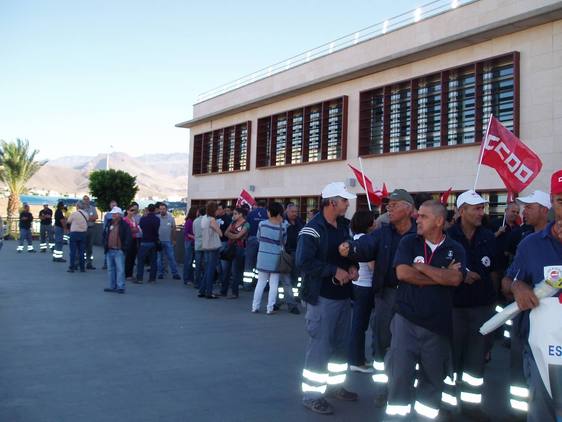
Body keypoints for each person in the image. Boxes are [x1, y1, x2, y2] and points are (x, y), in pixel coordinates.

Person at [385, 200, 465, 421]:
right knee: (399, 376)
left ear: (439, 221)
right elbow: (403, 273)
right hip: (405, 321)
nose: (417, 219)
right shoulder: (409, 242)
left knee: (432, 380)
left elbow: (456, 278)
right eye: (417, 215)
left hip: (437, 326)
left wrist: (420, 267)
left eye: (423, 216)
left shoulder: (454, 248)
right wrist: (440, 277)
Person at [339, 189, 416, 403]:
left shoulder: (420, 233)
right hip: (386, 295)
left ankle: (407, 386)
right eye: (388, 204)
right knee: (382, 344)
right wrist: (351, 248)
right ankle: (384, 390)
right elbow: (365, 246)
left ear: (408, 209)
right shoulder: (382, 233)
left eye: (394, 204)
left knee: (411, 344)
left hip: (415, 296)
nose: (388, 207)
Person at [503, 172, 562, 422]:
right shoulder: (531, 245)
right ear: (552, 201)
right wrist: (518, 287)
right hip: (543, 349)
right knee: (542, 411)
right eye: (561, 199)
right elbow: (508, 280)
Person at [296, 182, 359, 415]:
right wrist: (334, 271)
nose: (348, 203)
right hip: (322, 298)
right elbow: (303, 262)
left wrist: (352, 266)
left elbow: (351, 250)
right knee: (320, 348)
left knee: (341, 347)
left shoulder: (344, 226)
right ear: (332, 202)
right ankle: (312, 395)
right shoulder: (312, 229)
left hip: (343, 297)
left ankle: (335, 387)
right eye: (344, 200)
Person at [446, 190, 497, 421]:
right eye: (475, 208)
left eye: (481, 208)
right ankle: (446, 405)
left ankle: (471, 406)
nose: (480, 212)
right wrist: (461, 274)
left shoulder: (488, 236)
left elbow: (496, 270)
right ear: (461, 211)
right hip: (453, 307)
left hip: (481, 308)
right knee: (450, 358)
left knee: (476, 361)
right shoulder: (447, 236)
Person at [347, 210, 376, 374]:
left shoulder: (355, 239)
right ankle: (356, 360)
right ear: (369, 224)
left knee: (358, 324)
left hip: (358, 285)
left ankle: (357, 358)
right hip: (366, 286)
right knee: (360, 325)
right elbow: (372, 266)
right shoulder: (367, 241)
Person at [251, 202, 286, 314]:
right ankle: (270, 308)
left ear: (270, 212)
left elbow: (258, 238)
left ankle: (255, 307)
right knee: (274, 283)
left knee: (260, 282)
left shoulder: (262, 224)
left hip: (262, 256)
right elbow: (284, 242)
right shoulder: (283, 226)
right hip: (276, 258)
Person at [277, 203, 305, 314]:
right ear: (287, 212)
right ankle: (292, 305)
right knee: (286, 281)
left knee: (294, 280)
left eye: (296, 212)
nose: (294, 214)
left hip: (298, 254)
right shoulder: (282, 223)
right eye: (292, 211)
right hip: (286, 255)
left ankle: (278, 302)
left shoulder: (300, 223)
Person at [221, 207, 250, 298]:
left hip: (239, 248)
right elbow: (225, 233)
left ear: (241, 214)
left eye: (235, 214)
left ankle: (234, 292)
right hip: (230, 246)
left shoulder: (246, 224)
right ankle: (223, 291)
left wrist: (232, 235)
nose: (233, 216)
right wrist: (235, 236)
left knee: (235, 271)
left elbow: (239, 235)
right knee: (226, 270)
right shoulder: (233, 222)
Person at [103, 206, 131, 294]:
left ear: (119, 215)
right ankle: (112, 286)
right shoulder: (109, 223)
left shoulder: (124, 225)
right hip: (109, 250)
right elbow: (104, 234)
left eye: (114, 214)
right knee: (111, 269)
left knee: (120, 269)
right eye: (112, 214)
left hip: (119, 250)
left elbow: (128, 237)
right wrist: (105, 244)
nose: (113, 215)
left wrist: (124, 248)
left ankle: (120, 287)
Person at [199, 201, 222, 299]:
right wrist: (218, 226)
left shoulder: (204, 218)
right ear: (214, 210)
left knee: (207, 269)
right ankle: (209, 292)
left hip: (206, 246)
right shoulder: (212, 220)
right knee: (210, 270)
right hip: (213, 246)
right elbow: (220, 233)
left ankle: (202, 290)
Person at [244, 200, 268, 288]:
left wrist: (246, 239)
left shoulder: (251, 213)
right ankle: (262, 284)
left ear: (257, 205)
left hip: (251, 238)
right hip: (264, 240)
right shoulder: (267, 213)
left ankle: (247, 284)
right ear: (265, 205)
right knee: (262, 263)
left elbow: (246, 226)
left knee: (249, 263)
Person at [136, 204, 160, 283]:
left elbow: (141, 228)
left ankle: (139, 278)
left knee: (141, 261)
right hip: (153, 241)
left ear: (148, 210)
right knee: (153, 261)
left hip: (144, 241)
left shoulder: (143, 219)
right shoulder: (157, 219)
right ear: (154, 210)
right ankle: (152, 279)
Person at [156, 203, 181, 280]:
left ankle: (175, 273)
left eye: (163, 209)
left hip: (168, 241)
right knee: (159, 258)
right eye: (160, 209)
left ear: (166, 209)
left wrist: (174, 239)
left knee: (171, 257)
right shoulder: (157, 218)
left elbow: (174, 229)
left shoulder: (171, 218)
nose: (162, 210)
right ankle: (160, 273)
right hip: (159, 241)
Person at [66, 201, 89, 273]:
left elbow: (68, 222)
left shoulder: (74, 214)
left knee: (73, 251)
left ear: (77, 207)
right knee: (82, 252)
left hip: (74, 234)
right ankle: (82, 268)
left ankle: (72, 267)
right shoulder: (86, 214)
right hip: (83, 234)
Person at [124, 204, 141, 280]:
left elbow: (137, 229)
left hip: (134, 239)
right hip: (128, 240)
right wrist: (133, 229)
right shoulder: (125, 220)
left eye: (133, 210)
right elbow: (127, 230)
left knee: (133, 257)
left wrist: (133, 229)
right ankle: (127, 274)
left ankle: (130, 274)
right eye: (131, 210)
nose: (133, 212)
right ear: (127, 211)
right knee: (128, 258)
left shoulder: (133, 219)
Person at [81, 195, 99, 270]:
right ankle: (81, 263)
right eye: (84, 199)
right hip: (83, 229)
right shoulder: (81, 209)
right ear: (83, 201)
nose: (86, 200)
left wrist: (87, 218)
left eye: (87, 199)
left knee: (90, 247)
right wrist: (89, 218)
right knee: (82, 247)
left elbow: (96, 217)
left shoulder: (92, 208)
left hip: (91, 229)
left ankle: (89, 263)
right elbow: (81, 218)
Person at [183, 206, 197, 285]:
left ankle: (191, 278)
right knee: (188, 261)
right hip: (189, 242)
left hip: (193, 242)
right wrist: (194, 237)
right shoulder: (189, 221)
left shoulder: (195, 220)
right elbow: (186, 233)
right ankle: (186, 279)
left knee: (191, 262)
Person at [193, 207, 206, 289]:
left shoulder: (195, 221)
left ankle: (196, 282)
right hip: (206, 245)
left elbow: (194, 232)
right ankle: (204, 282)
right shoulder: (207, 221)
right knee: (205, 265)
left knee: (197, 265)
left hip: (197, 244)